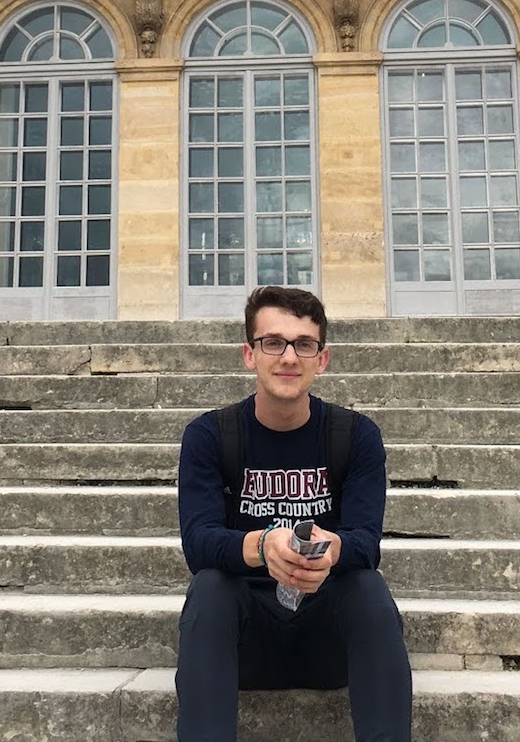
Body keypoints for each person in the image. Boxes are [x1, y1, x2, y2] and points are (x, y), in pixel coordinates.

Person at [175, 286, 413, 741]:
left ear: (321, 359)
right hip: (241, 644)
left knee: (367, 587)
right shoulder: (210, 435)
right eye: (273, 342)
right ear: (250, 354)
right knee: (209, 588)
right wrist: (262, 546)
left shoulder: (355, 436)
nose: (288, 357)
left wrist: (332, 550)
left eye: (304, 344)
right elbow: (199, 542)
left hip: (329, 641)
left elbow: (366, 543)